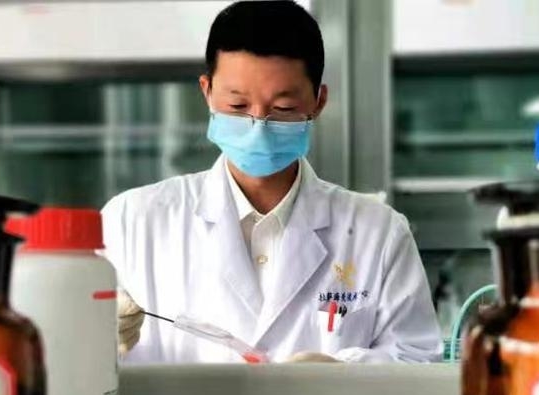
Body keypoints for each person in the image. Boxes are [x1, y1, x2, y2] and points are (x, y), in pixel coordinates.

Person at [102, 0, 442, 364]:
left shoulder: (379, 234)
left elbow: (416, 361)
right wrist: (95, 332)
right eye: (238, 106)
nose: (258, 126)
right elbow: (69, 360)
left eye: (282, 108)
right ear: (207, 92)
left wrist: (344, 379)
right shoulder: (131, 221)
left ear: (318, 102)